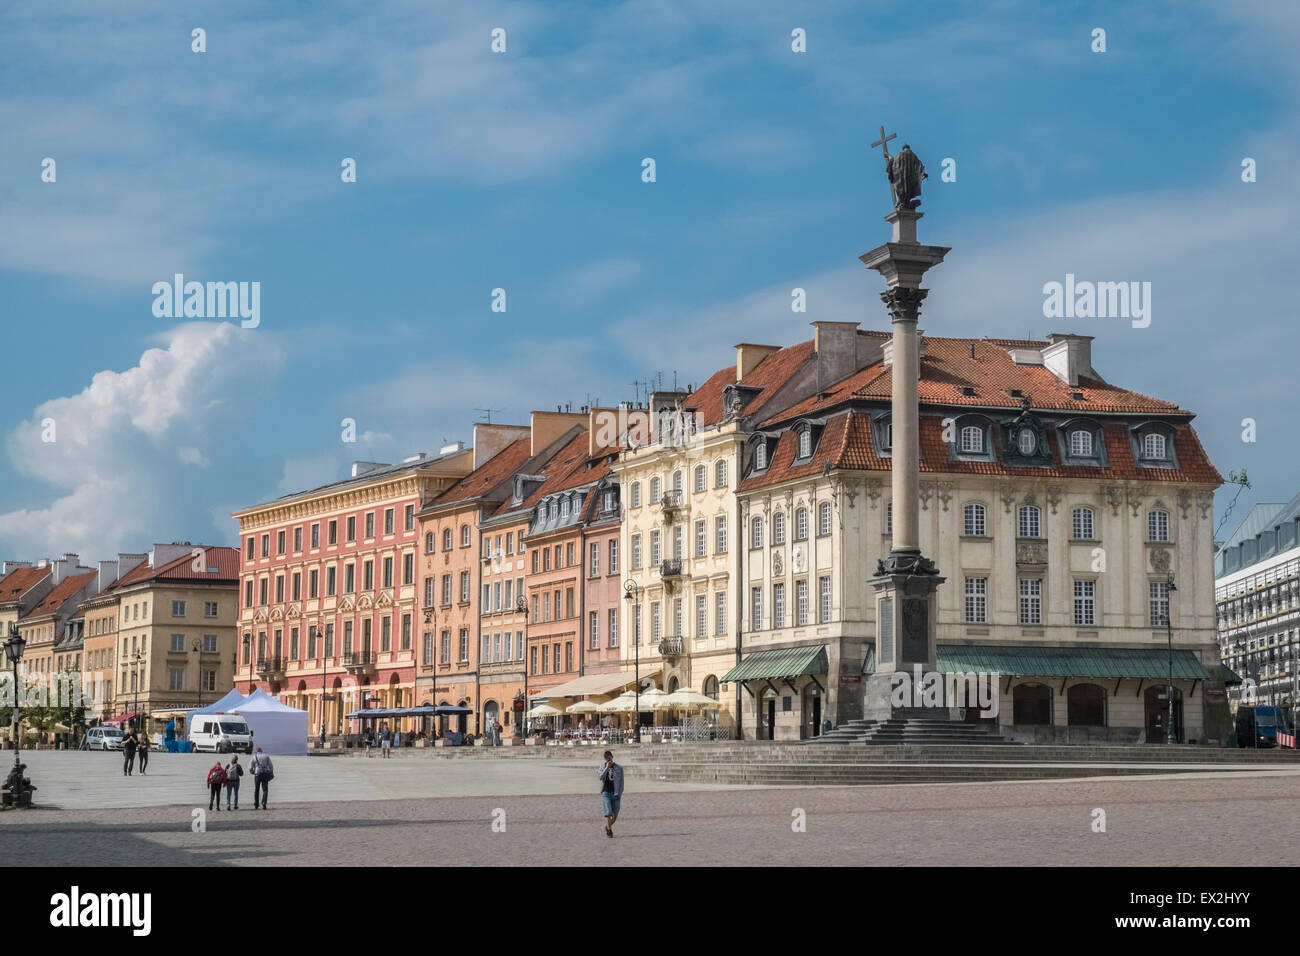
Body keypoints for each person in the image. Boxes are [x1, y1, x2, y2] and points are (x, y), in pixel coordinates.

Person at [598, 750, 624, 838]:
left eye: (609, 757)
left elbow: (622, 782)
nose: (608, 759)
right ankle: (609, 830)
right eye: (606, 758)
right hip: (606, 792)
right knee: (608, 812)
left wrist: (620, 793)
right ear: (605, 759)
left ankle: (607, 826)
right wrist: (607, 768)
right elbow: (600, 777)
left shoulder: (619, 768)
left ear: (612, 757)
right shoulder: (602, 766)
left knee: (615, 814)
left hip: (616, 794)